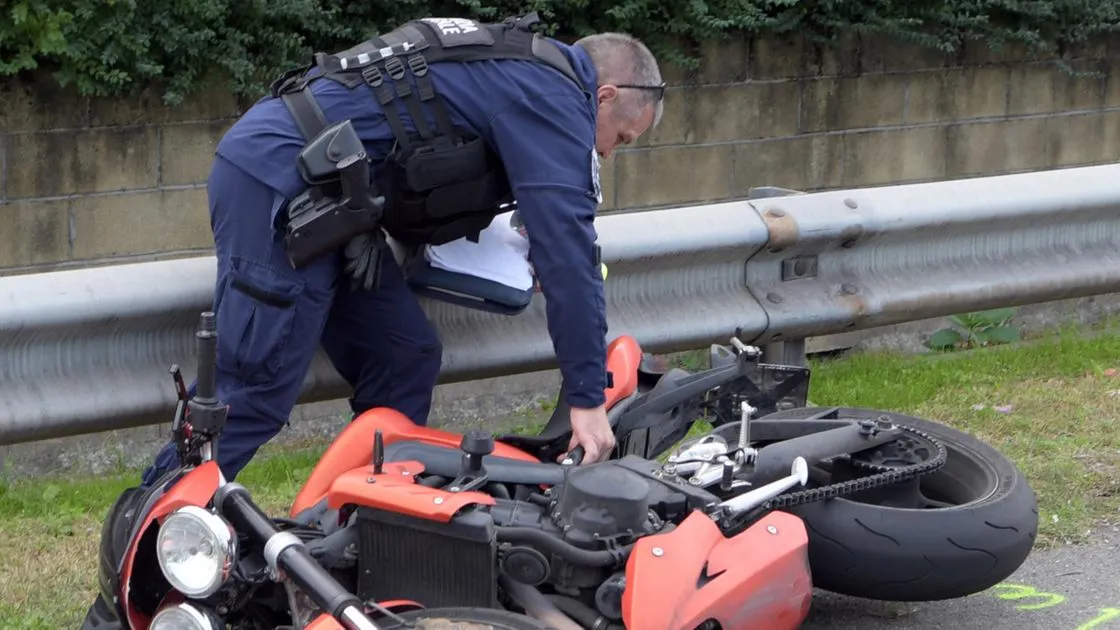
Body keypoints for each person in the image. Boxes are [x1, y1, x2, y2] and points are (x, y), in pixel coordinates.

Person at [138, 13, 665, 488]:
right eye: (620, 138)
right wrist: (587, 399)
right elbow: (571, 255)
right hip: (280, 183)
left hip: (334, 204)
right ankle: (143, 548)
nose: (606, 153)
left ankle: (367, 525)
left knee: (403, 356)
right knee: (255, 393)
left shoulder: (515, 66)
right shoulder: (552, 97)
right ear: (605, 96)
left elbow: (421, 155)